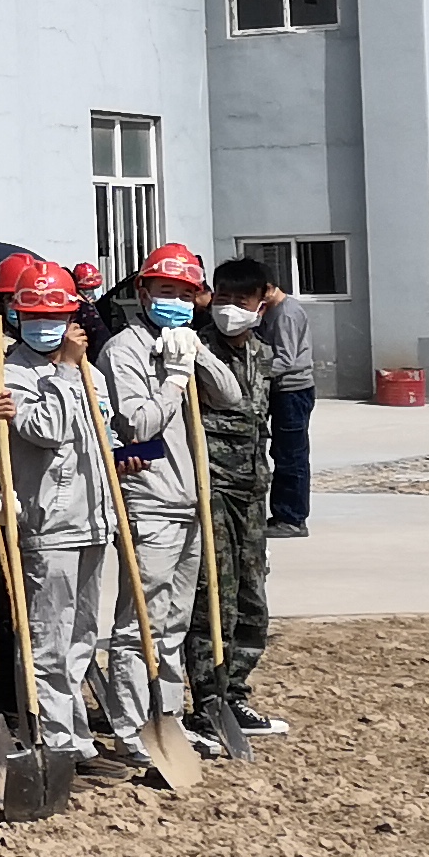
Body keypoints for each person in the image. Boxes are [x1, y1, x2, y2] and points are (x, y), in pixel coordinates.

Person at [92, 241, 239, 762]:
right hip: (150, 499)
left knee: (175, 620)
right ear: (143, 292)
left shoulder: (184, 342)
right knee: (141, 622)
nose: (174, 301)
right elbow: (137, 424)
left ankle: (168, 719)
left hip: (190, 498)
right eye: (164, 291)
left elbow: (230, 395)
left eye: (184, 293)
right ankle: (132, 727)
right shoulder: (124, 351)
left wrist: (195, 353)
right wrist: (174, 381)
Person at [0, 266, 108, 773]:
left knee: (82, 636)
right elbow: (46, 429)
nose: (46, 325)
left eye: (56, 315)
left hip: (93, 516)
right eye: (35, 315)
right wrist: (63, 371)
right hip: (49, 522)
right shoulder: (11, 373)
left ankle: (78, 735)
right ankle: (55, 739)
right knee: (48, 639)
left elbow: (103, 428)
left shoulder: (87, 370)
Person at [191, 261, 288, 741]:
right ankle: (208, 699)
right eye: (223, 298)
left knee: (252, 597)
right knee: (214, 598)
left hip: (251, 490)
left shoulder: (263, 355)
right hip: (212, 488)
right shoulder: (195, 350)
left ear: (260, 304)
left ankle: (236, 694)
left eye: (242, 301)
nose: (231, 308)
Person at [259, 268, 318, 539]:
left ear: (270, 288)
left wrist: (254, 370)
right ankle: (283, 513)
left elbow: (285, 359)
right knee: (282, 452)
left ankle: (292, 518)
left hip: (292, 390)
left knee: (291, 456)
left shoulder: (286, 314)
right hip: (281, 390)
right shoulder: (273, 311)